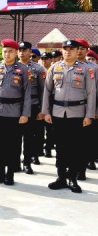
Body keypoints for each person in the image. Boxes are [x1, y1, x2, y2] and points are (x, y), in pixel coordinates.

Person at [42, 40, 96, 193]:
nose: (68, 52)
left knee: (75, 148)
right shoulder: (55, 67)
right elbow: (47, 91)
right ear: (62, 51)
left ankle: (72, 178)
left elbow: (91, 93)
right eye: (65, 49)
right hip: (58, 112)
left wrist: (89, 115)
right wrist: (46, 111)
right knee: (60, 147)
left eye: (71, 49)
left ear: (76, 51)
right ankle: (61, 178)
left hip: (77, 113)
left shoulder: (85, 69)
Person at [0, 39, 31, 186]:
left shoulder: (23, 70)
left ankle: (10, 174)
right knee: (0, 145)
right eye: (5, 51)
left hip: (15, 113)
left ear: (16, 53)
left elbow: (27, 93)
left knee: (13, 145)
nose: (7, 54)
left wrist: (25, 114)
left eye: (10, 51)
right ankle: (0, 172)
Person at [17, 42, 46, 174]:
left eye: (25, 50)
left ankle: (27, 162)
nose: (22, 52)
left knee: (29, 137)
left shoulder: (38, 69)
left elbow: (43, 91)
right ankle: (15, 162)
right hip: (14, 107)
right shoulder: (11, 67)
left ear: (30, 52)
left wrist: (42, 110)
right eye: (20, 50)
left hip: (32, 106)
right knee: (14, 137)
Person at [74, 39, 98, 178]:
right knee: (68, 142)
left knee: (83, 142)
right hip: (69, 111)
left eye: (83, 48)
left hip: (86, 111)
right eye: (77, 47)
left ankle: (80, 170)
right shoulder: (63, 66)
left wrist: (94, 111)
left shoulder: (93, 68)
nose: (80, 50)